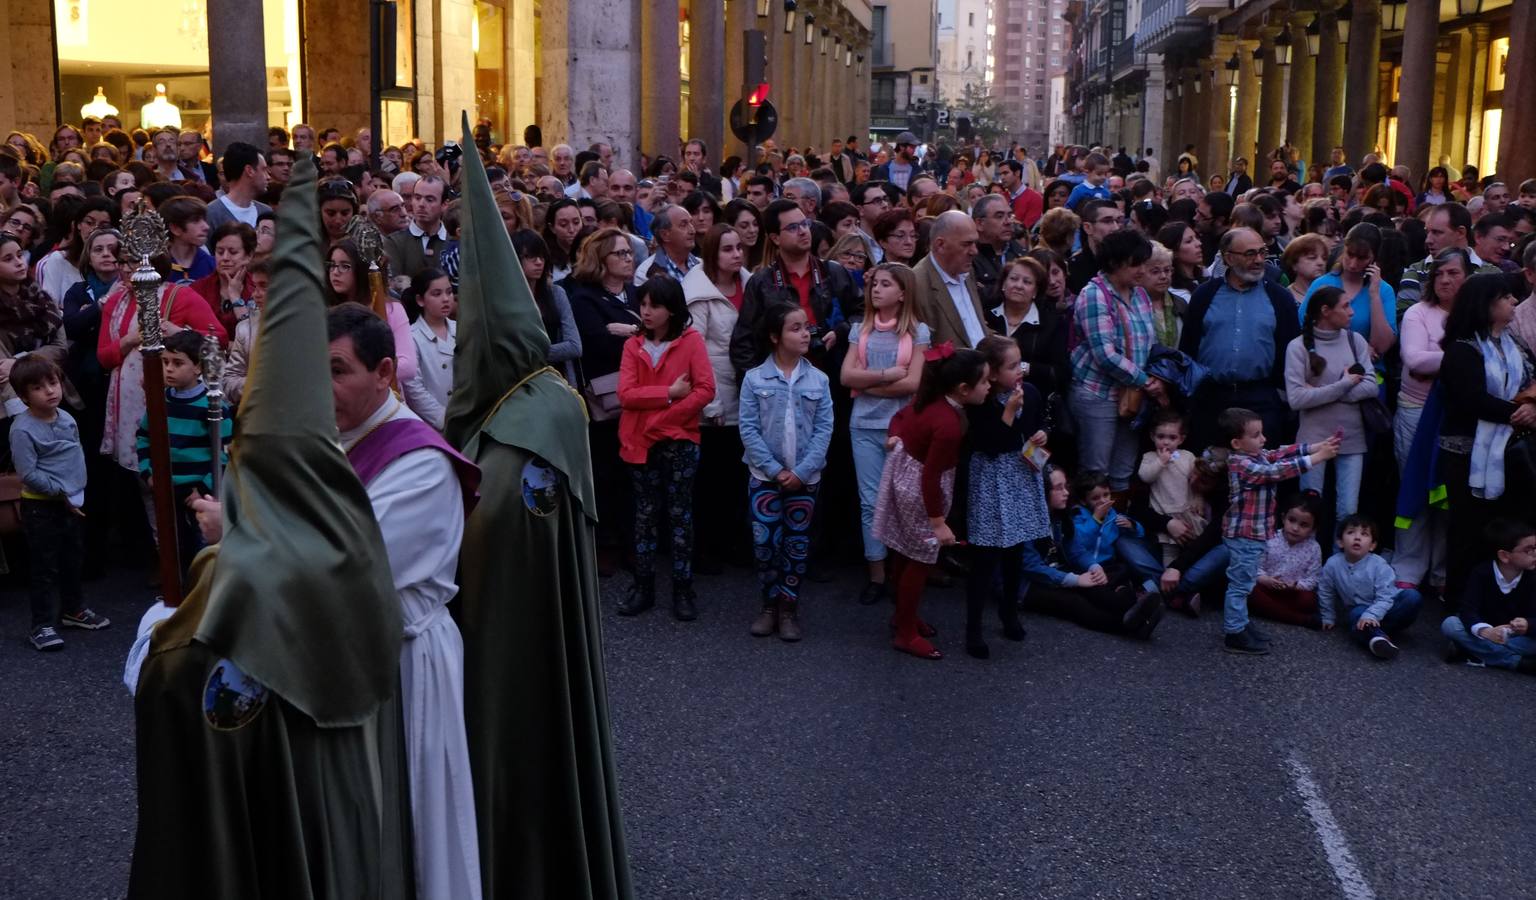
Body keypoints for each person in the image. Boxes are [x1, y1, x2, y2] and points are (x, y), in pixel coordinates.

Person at [124, 152, 416, 900]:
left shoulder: (238, 574)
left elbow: (180, 685)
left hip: (253, 805)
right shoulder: (351, 545)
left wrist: (165, 635)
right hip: (348, 790)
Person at [873, 346, 990, 660]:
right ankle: (905, 633)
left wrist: (895, 436)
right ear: (964, 389)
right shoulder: (948, 425)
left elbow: (899, 417)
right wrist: (938, 522)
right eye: (985, 382)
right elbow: (931, 477)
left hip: (905, 479)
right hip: (922, 492)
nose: (989, 387)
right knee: (920, 561)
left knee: (904, 554)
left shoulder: (931, 399)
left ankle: (903, 617)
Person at [616, 277, 715, 620]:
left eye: (654, 306)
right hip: (639, 443)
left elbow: (705, 389)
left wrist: (663, 419)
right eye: (643, 305)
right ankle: (643, 587)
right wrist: (669, 394)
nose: (646, 311)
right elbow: (625, 394)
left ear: (671, 309)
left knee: (679, 515)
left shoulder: (691, 342)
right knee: (644, 516)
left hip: (678, 441)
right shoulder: (633, 345)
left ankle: (683, 588)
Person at [738, 303, 833, 642]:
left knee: (796, 544)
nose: (805, 333)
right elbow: (748, 429)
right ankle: (768, 605)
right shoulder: (754, 379)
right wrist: (776, 470)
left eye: (806, 327)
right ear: (775, 336)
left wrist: (804, 470)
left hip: (806, 480)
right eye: (796, 328)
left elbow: (824, 430)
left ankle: (789, 608)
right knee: (764, 542)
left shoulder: (819, 380)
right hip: (765, 477)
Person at [1438, 273, 1536, 601]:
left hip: (1511, 451)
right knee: (1468, 531)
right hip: (1467, 452)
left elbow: (1532, 382)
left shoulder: (1516, 344)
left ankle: (1495, 612)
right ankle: (1457, 612)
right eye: (1506, 297)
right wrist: (1515, 411)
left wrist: (1532, 406)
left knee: (1504, 532)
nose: (1513, 303)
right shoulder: (1461, 349)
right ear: (1486, 304)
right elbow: (1471, 399)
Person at [840, 262, 929, 605]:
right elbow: (847, 376)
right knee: (870, 501)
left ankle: (900, 571)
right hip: (863, 426)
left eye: (886, 284)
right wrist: (887, 374)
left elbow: (913, 383)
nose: (877, 289)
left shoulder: (918, 332)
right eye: (875, 284)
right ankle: (877, 576)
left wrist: (869, 383)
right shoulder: (859, 329)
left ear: (903, 292)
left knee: (903, 501)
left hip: (902, 427)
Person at [1219, 406, 1340, 655]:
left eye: (1261, 433)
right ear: (1236, 443)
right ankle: (1234, 633)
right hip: (1244, 535)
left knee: (1245, 581)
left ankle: (1241, 625)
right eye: (1256, 435)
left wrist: (1316, 446)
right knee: (1240, 585)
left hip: (1255, 534)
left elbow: (1279, 453)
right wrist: (1317, 459)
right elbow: (1275, 471)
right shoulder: (1241, 464)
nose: (1263, 440)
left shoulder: (1256, 455)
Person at [964, 335, 1051, 659]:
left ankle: (1009, 611)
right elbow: (990, 443)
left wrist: (1043, 434)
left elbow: (1037, 424)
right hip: (991, 479)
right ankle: (973, 627)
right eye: (1012, 366)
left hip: (1020, 474)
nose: (1020, 372)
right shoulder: (982, 400)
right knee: (986, 556)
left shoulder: (1029, 392)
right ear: (992, 372)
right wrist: (1009, 412)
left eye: (1021, 363)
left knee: (1016, 549)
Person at [10, 356, 103, 651]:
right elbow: (28, 473)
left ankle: (73, 610)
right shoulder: (23, 429)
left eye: (53, 382)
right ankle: (41, 625)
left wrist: (76, 491)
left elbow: (74, 457)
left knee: (72, 558)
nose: (50, 391)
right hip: (41, 507)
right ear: (24, 397)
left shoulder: (67, 418)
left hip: (71, 501)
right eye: (38, 387)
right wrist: (61, 493)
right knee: (44, 566)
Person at [1180, 227, 1301, 452]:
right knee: (1210, 470)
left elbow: (1291, 348)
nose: (1258, 260)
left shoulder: (1279, 297)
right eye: (1249, 254)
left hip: (1260, 397)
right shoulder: (1204, 295)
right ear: (1228, 257)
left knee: (1261, 471)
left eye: (1262, 252)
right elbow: (1188, 347)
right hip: (1212, 398)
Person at [1021, 465, 1162, 638]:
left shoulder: (1060, 517)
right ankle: (1130, 626)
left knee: (1096, 586)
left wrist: (1093, 566)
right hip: (1027, 585)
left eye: (1066, 486)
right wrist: (1075, 579)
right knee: (1074, 602)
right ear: (1041, 491)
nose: (1066, 492)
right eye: (1059, 488)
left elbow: (1076, 551)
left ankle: (1133, 605)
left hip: (1058, 572)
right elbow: (1031, 567)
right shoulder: (1026, 523)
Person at [1068, 229, 1160, 491]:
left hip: (1131, 395)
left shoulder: (1140, 293)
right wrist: (1145, 381)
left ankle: (1117, 526)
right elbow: (1105, 355)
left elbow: (1148, 343)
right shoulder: (1094, 295)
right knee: (1096, 473)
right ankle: (1090, 528)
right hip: (1098, 393)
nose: (1142, 269)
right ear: (1114, 263)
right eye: (1136, 263)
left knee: (1123, 471)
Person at [728, 199, 859, 376]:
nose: (803, 231)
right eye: (792, 228)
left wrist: (841, 331)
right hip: (780, 381)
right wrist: (760, 384)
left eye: (805, 224)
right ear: (775, 238)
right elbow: (744, 342)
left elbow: (863, 314)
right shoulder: (762, 281)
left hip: (832, 374)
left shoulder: (833, 272)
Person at [682, 224, 749, 569]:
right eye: (727, 249)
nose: (736, 254)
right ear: (712, 253)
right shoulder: (698, 293)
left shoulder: (749, 284)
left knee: (737, 475)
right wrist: (711, 403)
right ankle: (707, 548)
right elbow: (696, 352)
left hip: (746, 389)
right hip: (716, 393)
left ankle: (732, 543)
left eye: (738, 247)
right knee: (712, 479)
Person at [1285, 286, 1380, 522]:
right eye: (1345, 306)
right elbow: (1296, 399)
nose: (1352, 312)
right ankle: (1308, 558)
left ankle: (1341, 559)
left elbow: (1372, 386)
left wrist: (1321, 393)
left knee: (1348, 510)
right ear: (1325, 311)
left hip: (1351, 437)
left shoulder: (1355, 340)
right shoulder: (1297, 347)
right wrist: (1345, 384)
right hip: (1313, 440)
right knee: (1309, 508)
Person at [1317, 515, 1422, 659]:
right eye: (1351, 532)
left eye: (1364, 534)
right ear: (1340, 542)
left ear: (1372, 545)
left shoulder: (1380, 565)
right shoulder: (1332, 564)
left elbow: (1386, 596)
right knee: (1356, 613)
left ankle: (1373, 631)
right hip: (1360, 613)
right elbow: (1325, 591)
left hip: (1388, 611)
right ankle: (1378, 639)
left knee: (1412, 597)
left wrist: (1372, 615)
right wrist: (1327, 616)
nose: (1357, 538)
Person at [1441, 518, 1536, 671]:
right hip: (1486, 632)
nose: (1534, 554)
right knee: (1451, 624)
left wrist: (1528, 624)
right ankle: (1515, 662)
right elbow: (1468, 610)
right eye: (1528, 550)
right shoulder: (1482, 573)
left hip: (1515, 636)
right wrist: (1486, 631)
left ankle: (1469, 650)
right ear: (1505, 556)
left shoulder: (1532, 578)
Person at [1301, 223, 1397, 359]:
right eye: (1350, 254)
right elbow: (1302, 328)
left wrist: (1374, 295)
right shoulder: (1322, 283)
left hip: (1368, 371)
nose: (1353, 264)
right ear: (1343, 248)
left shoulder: (1384, 290)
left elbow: (1382, 346)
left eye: (1362, 258)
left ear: (1374, 258)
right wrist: (1357, 349)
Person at [986, 256, 1069, 401]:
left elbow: (1060, 372)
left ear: (1036, 291)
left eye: (1027, 282)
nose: (1019, 285)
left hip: (1031, 400)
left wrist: (1018, 367)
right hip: (986, 397)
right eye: (1013, 279)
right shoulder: (986, 313)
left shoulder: (1052, 322)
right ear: (1003, 284)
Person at [509, 229, 582, 381]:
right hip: (520, 381)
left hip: (558, 378)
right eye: (530, 256)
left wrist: (530, 353)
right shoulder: (505, 300)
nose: (539, 262)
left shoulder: (556, 294)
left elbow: (574, 346)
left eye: (542, 256)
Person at [912, 210, 988, 350]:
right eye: (966, 244)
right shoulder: (917, 284)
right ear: (940, 245)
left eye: (975, 243)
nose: (974, 251)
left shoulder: (966, 270)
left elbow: (976, 329)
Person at [1247, 493, 1325, 627]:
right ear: (1283, 518)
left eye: (1304, 525)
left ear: (1313, 529)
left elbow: (1313, 579)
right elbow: (1255, 567)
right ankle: (1299, 619)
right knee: (1249, 589)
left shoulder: (1314, 548)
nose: (1295, 528)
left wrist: (1295, 586)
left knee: (1310, 600)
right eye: (1292, 520)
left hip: (1291, 593)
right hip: (1266, 588)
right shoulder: (1270, 538)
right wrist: (1266, 580)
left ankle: (1270, 610)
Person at [1137, 409, 1200, 564]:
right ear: (1152, 436)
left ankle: (1189, 583)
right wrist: (1161, 462)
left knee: (1193, 548)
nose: (1166, 442)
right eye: (1161, 437)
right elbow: (1145, 476)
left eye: (1172, 437)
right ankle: (1168, 584)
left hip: (1187, 511)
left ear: (1181, 439)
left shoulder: (1188, 456)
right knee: (1169, 553)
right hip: (1165, 513)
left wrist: (1199, 498)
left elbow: (1198, 480)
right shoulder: (1149, 457)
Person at [401, 267, 457, 429]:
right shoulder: (412, 337)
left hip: (467, 420)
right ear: (420, 300)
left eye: (449, 292)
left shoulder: (462, 330)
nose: (446, 299)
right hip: (433, 427)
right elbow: (414, 389)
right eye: (437, 294)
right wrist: (443, 418)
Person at [190, 221, 258, 338]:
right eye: (220, 252)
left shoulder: (260, 289)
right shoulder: (197, 289)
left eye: (233, 252)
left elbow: (253, 338)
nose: (225, 258)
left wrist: (235, 297)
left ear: (249, 255)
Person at [384, 174, 452, 282]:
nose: (421, 204)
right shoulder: (395, 242)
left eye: (429, 199)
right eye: (417, 197)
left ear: (444, 204)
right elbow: (393, 286)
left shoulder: (455, 240)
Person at [201, 142, 270, 239]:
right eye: (263, 170)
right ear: (249, 171)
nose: (268, 176)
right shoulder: (211, 214)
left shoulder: (266, 212)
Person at [157, 196, 216, 284]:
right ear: (175, 228)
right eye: (196, 221)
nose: (206, 227)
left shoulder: (213, 266)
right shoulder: (156, 267)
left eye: (204, 220)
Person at [635, 204, 698, 282]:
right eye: (683, 225)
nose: (692, 231)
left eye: (691, 223)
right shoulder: (646, 273)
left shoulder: (705, 266)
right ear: (665, 235)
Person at [1281, 233, 1330, 309]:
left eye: (1324, 258)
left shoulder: (1333, 294)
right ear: (1294, 264)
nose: (1321, 262)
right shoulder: (1284, 297)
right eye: (1312, 257)